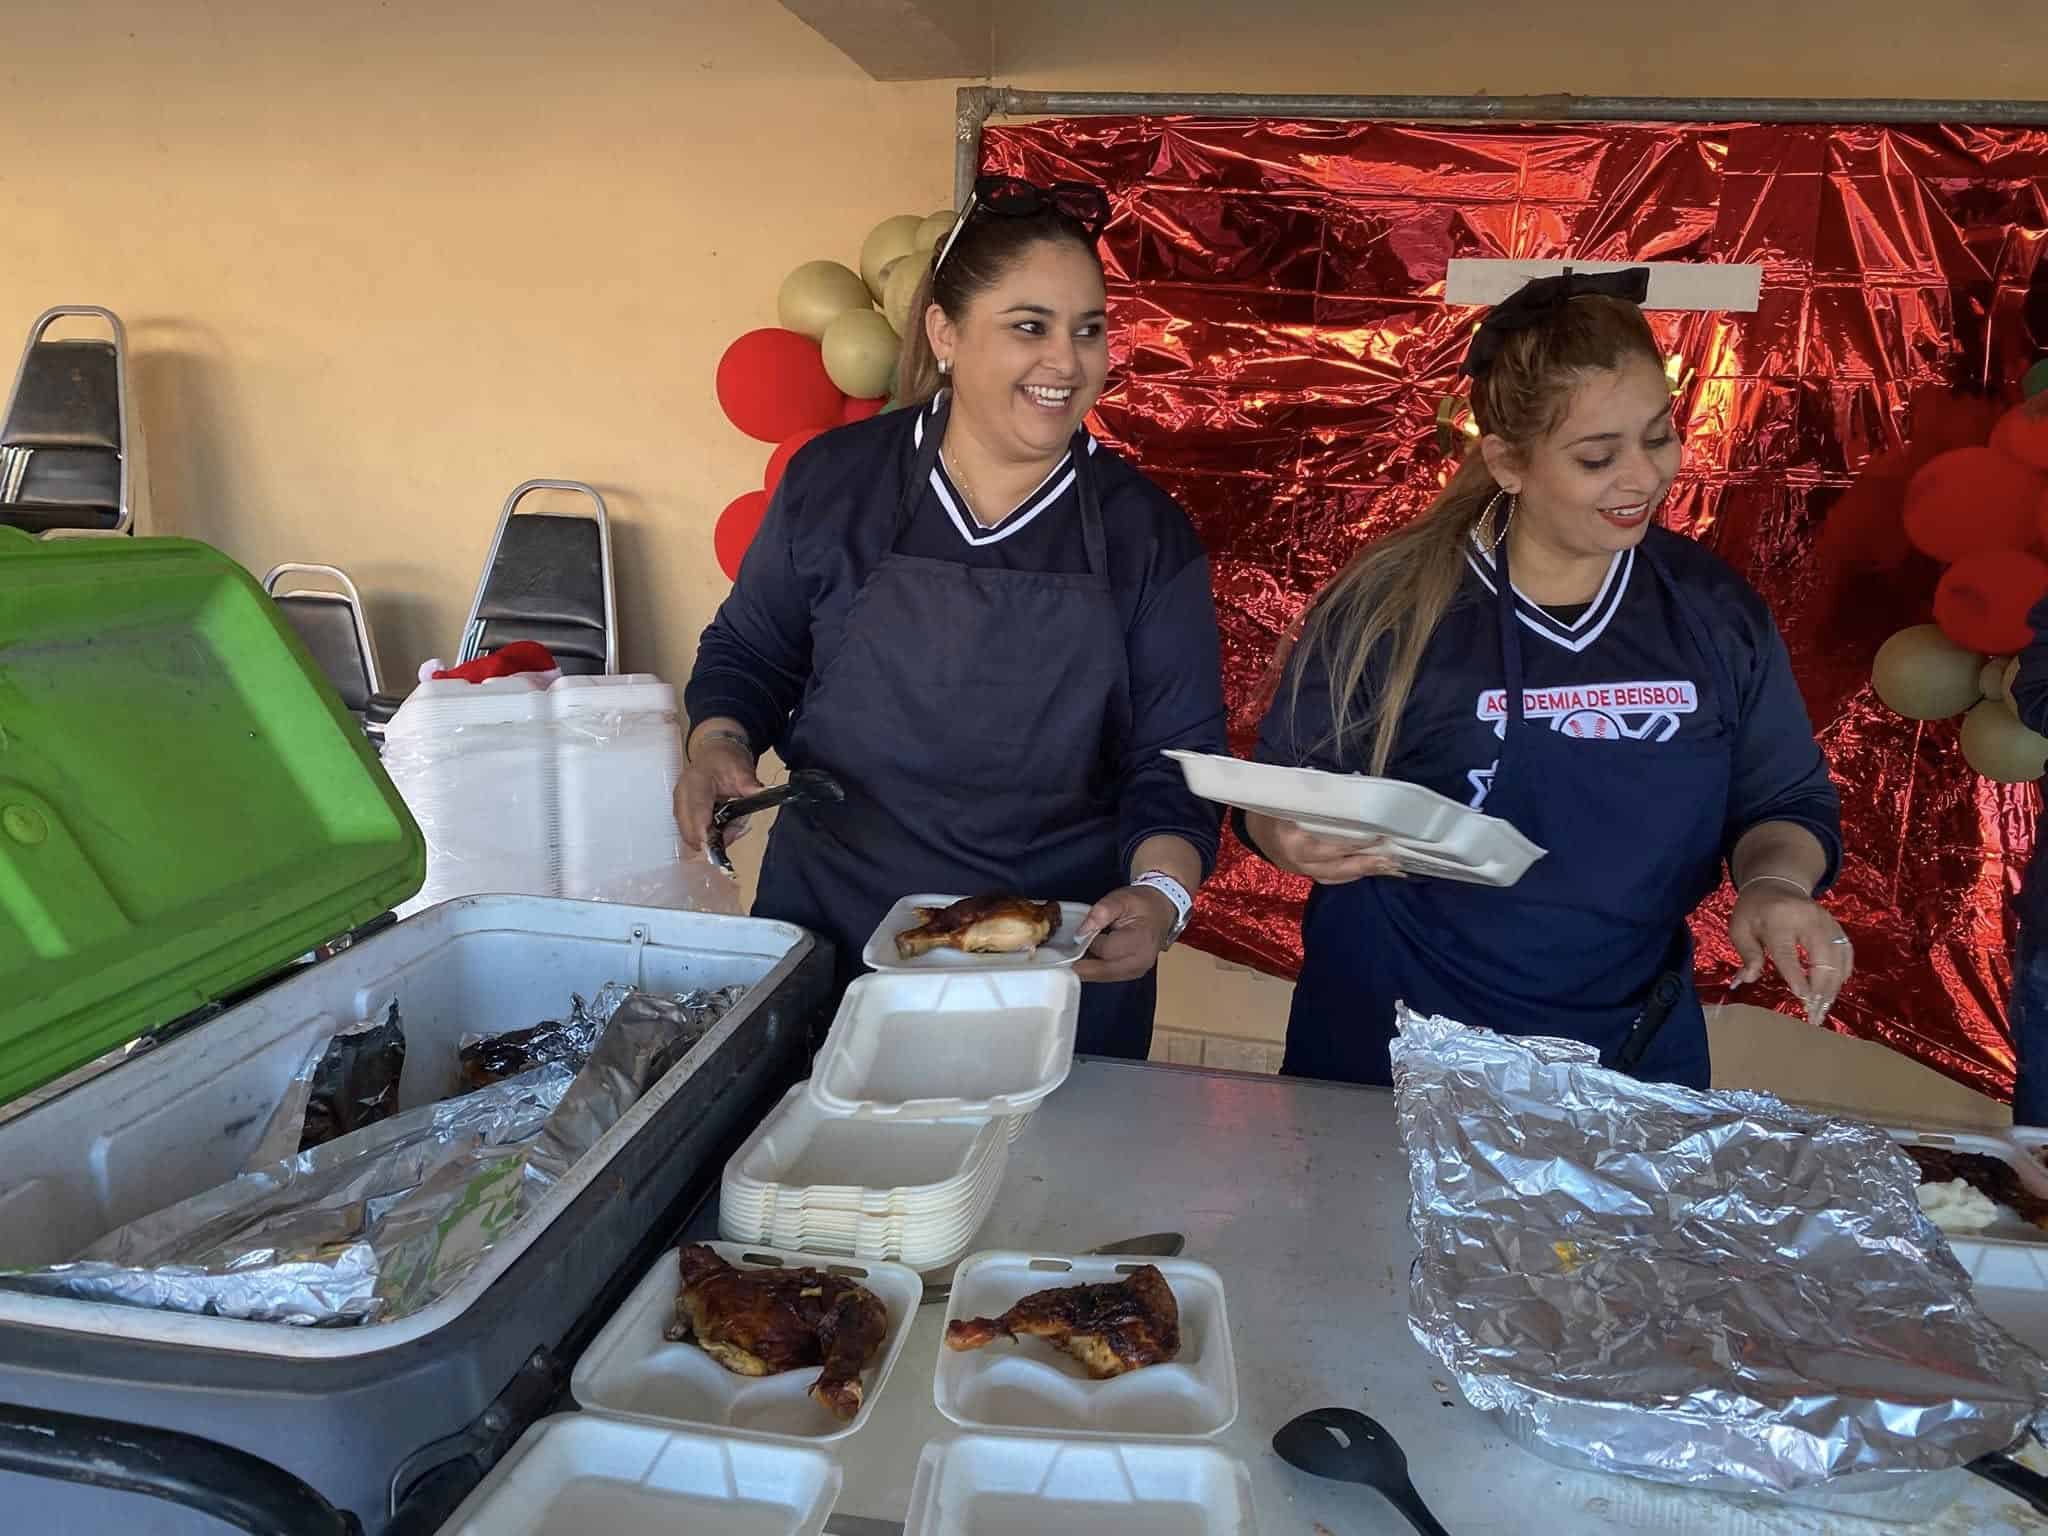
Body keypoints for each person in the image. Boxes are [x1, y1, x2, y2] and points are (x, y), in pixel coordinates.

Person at [1240, 268, 1852, 1088]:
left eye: (1658, 436)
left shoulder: (1711, 611)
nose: (1642, 477)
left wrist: (1776, 884)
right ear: (1506, 461)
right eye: (1598, 457)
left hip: (1624, 1055)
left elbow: (1781, 800)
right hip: (1389, 1049)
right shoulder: (1389, 606)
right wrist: (1289, 834)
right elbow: (1285, 790)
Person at [676, 174, 1228, 1060]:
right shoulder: (837, 482)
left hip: (1052, 950)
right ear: (943, 333)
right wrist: (718, 744)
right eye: (1029, 326)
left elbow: (1177, 757)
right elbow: (751, 649)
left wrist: (1164, 896)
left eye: (1088, 330)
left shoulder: (1144, 535)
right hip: (836, 922)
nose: (1067, 360)